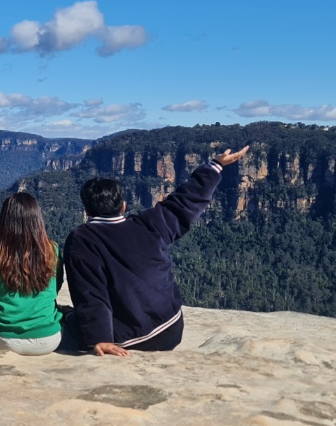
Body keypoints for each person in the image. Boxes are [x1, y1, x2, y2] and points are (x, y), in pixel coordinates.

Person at [62, 146, 250, 356]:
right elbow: (183, 202)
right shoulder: (149, 223)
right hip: (172, 328)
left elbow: (91, 294)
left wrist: (99, 338)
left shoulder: (82, 240)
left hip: (130, 340)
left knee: (63, 318)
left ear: (86, 211)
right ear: (123, 206)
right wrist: (215, 165)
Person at [0, 192, 63, 355]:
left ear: (4, 221)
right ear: (38, 220)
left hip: (1, 339)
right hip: (48, 339)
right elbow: (56, 288)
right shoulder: (53, 251)